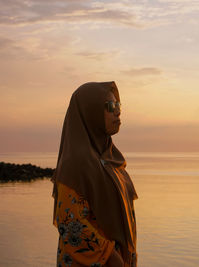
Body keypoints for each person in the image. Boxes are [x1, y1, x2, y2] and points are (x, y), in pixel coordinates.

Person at [51, 81, 138, 267]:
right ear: (90, 113)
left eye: (118, 105)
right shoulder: (75, 163)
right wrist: (111, 258)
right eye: (110, 106)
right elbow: (70, 223)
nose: (118, 112)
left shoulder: (112, 160)